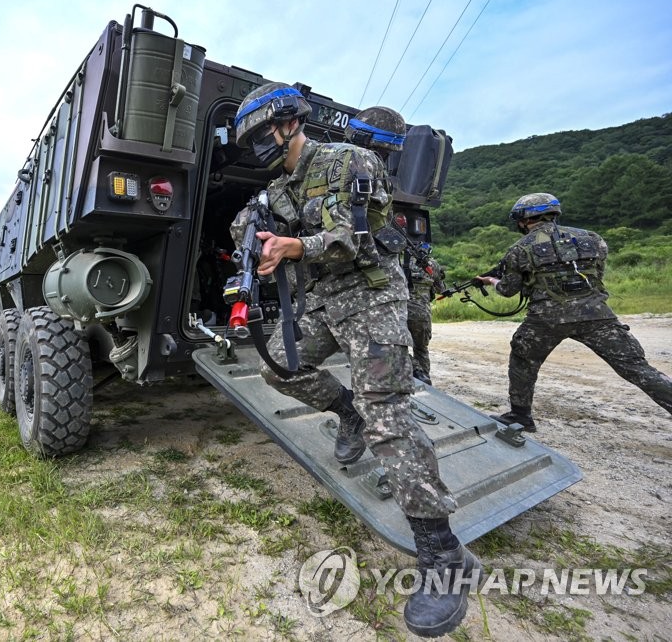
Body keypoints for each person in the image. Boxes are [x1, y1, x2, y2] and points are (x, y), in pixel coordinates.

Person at [231, 86, 479, 638]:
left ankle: (442, 553)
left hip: (372, 295)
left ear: (288, 124)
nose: (255, 149)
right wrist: (256, 240)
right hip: (322, 302)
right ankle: (347, 413)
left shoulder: (352, 161)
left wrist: (296, 248)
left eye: (258, 136)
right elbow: (246, 220)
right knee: (276, 368)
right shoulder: (279, 188)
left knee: (387, 415)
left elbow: (354, 238)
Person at [477, 193, 672, 431]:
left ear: (524, 219)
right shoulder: (592, 238)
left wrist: (491, 281)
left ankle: (520, 416)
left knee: (523, 359)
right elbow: (597, 276)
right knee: (637, 368)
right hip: (597, 315)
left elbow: (508, 290)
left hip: (546, 320)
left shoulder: (520, 248)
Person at [404, 244, 446, 384]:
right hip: (422, 314)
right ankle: (424, 379)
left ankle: (414, 370)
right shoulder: (432, 264)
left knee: (398, 347)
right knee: (421, 349)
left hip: (401, 311)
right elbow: (441, 289)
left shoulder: (400, 261)